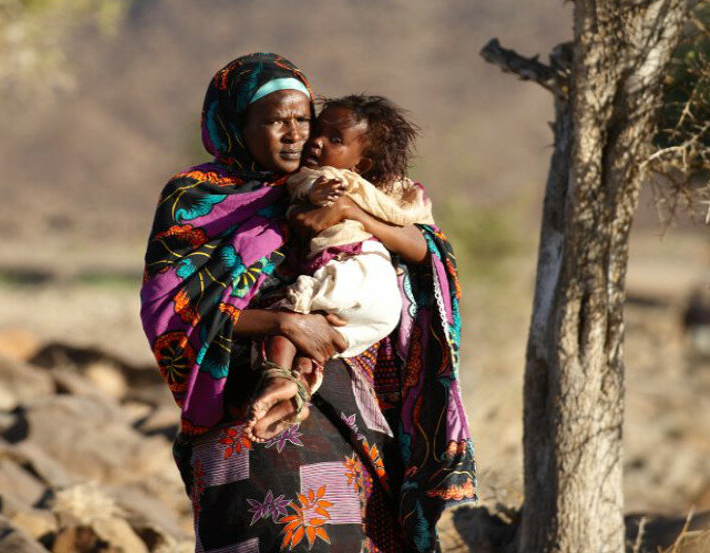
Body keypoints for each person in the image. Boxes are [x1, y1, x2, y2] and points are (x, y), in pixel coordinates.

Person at [141, 53, 476, 552]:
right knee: (258, 532)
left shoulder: (336, 188)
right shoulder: (196, 201)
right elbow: (170, 314)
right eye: (276, 120)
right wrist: (285, 322)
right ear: (237, 124)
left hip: (345, 402)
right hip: (240, 401)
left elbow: (430, 251)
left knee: (340, 532)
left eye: (303, 120)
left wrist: (349, 210)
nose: (295, 134)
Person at [246, 95, 435, 443]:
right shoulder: (387, 194)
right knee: (312, 340)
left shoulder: (329, 180)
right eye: (316, 131)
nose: (314, 141)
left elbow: (426, 247)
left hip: (354, 271)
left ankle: (277, 376)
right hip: (377, 307)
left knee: (291, 305)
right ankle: (299, 386)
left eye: (335, 139)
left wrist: (348, 209)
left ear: (363, 164)